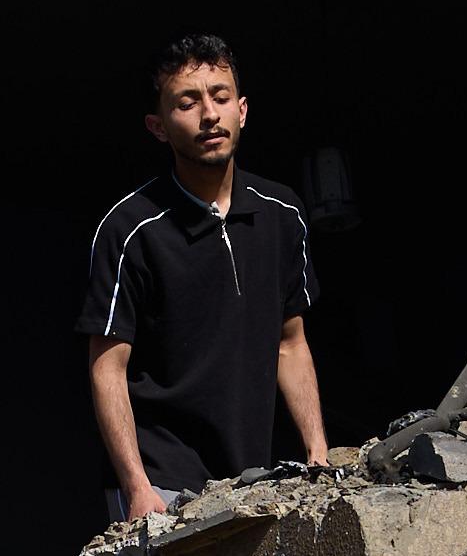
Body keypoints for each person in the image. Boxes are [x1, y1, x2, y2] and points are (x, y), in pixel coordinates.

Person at [80, 31, 329, 527]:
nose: (209, 115)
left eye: (219, 97)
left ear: (242, 109)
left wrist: (318, 452)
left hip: (253, 478)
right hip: (162, 480)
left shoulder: (283, 214)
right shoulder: (130, 229)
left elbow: (290, 344)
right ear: (158, 126)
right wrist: (137, 486)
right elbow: (108, 367)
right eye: (187, 103)